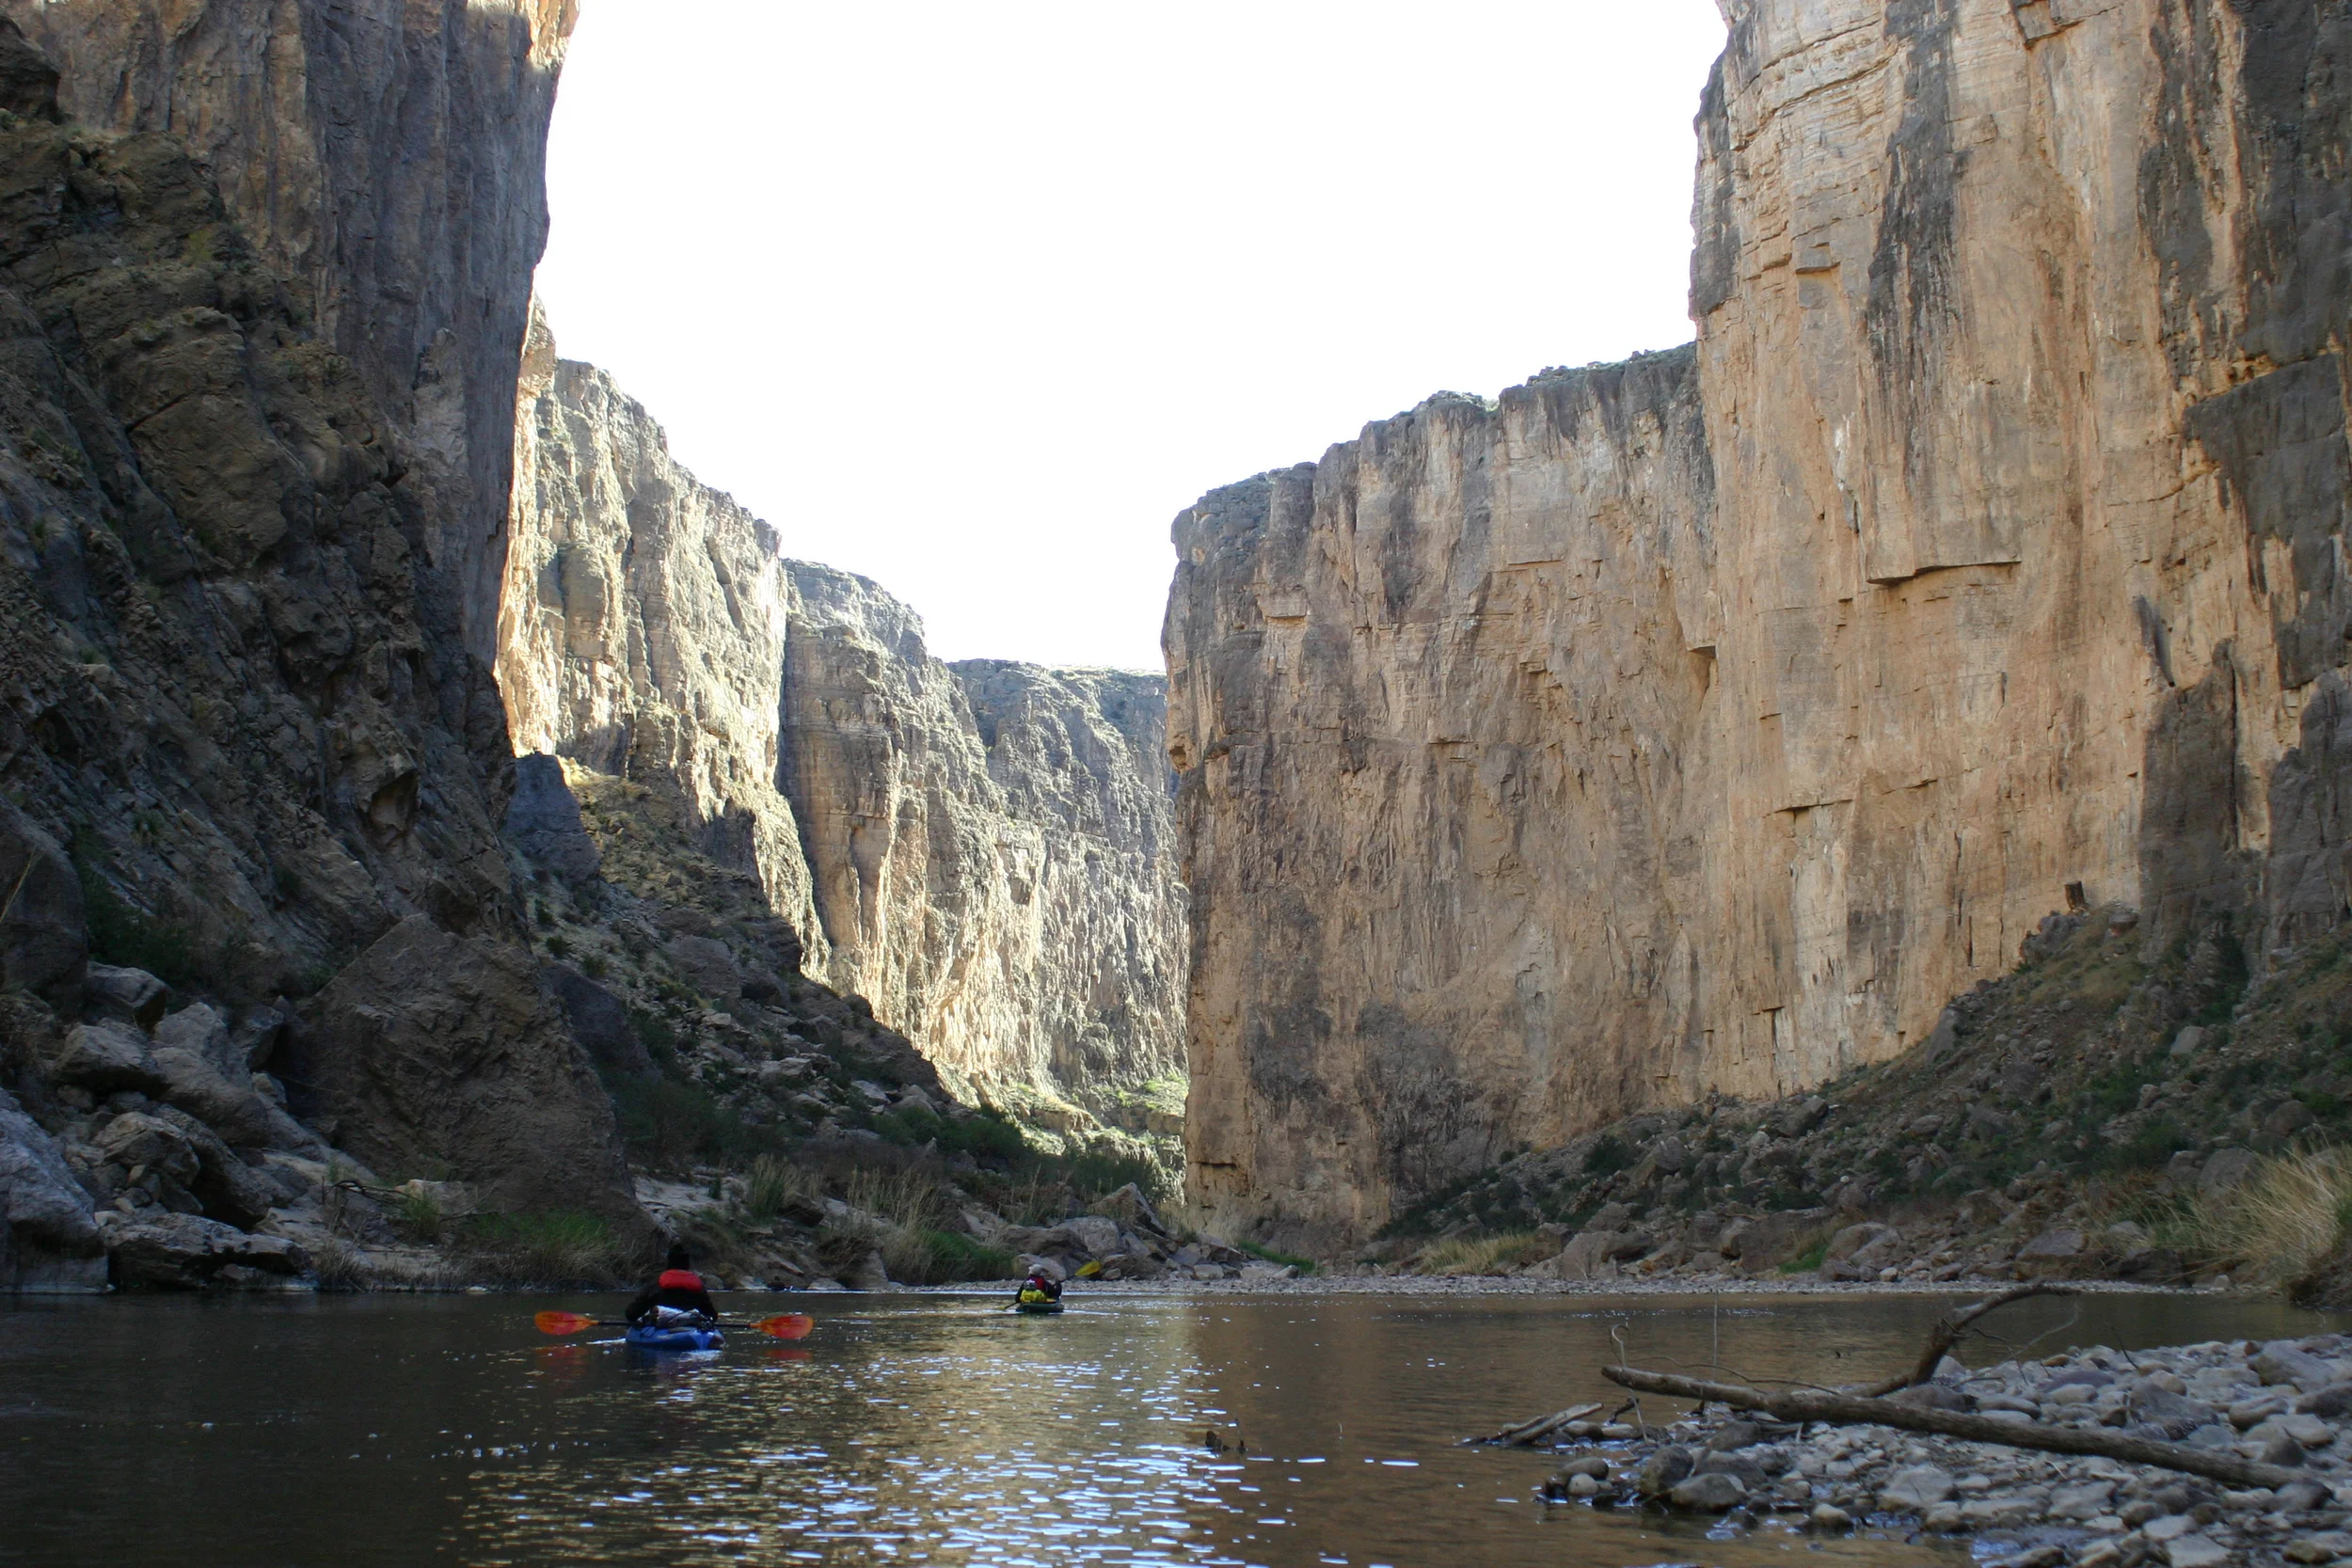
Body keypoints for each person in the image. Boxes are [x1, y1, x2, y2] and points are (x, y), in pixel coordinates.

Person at [628, 1245, 719, 1328]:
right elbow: (712, 1315)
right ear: (687, 1265)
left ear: (668, 1264)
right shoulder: (698, 1288)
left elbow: (631, 1314)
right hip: (690, 1330)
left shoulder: (655, 1286)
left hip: (660, 1331)